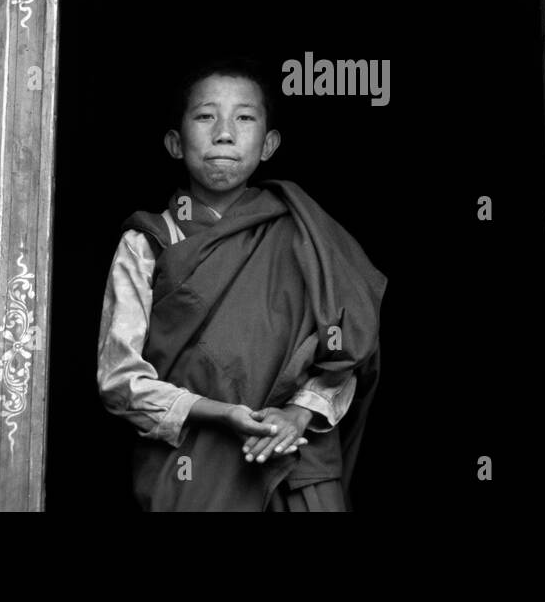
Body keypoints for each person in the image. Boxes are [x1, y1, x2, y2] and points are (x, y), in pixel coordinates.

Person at [96, 57, 386, 511]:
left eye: (244, 117)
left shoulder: (303, 233)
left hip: (297, 466)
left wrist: (299, 412)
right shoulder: (147, 243)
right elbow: (119, 380)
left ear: (269, 143)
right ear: (175, 142)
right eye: (206, 116)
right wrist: (223, 414)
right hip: (191, 469)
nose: (224, 133)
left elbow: (349, 348)